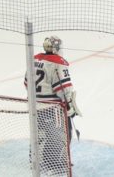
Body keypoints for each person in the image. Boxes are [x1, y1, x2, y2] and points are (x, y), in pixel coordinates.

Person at [24, 36, 80, 175]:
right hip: (51, 108)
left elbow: (26, 83)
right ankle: (55, 163)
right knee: (59, 133)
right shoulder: (58, 63)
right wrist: (70, 107)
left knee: (38, 132)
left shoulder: (34, 59)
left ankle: (36, 160)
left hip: (33, 106)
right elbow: (64, 89)